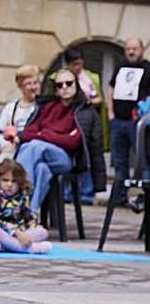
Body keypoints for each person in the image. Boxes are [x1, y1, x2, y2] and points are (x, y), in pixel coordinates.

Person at [16, 67, 96, 218]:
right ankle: (30, 214)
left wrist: (43, 134)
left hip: (66, 159)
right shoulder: (48, 107)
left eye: (68, 83)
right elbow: (27, 133)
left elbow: (73, 142)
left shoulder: (83, 111)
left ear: (76, 85)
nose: (64, 87)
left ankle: (16, 197)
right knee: (41, 168)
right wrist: (54, 136)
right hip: (43, 155)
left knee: (34, 145)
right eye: (60, 85)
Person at [106, 36, 150, 210]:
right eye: (128, 49)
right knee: (119, 161)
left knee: (143, 159)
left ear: (142, 50)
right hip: (118, 121)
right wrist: (110, 113)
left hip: (138, 123)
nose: (131, 52)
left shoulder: (148, 68)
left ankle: (146, 196)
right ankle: (120, 196)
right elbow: (111, 88)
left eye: (134, 49)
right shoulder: (120, 67)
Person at [62, 46, 106, 204]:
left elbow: (98, 98)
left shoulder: (88, 78)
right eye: (75, 64)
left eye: (80, 63)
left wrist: (89, 101)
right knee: (69, 157)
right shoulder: (61, 78)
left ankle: (86, 192)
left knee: (86, 156)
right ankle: (67, 192)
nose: (78, 67)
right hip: (68, 119)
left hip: (86, 119)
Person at [0, 159, 51, 254]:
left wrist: (32, 226)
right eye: (5, 180)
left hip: (21, 231)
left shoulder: (22, 196)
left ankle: (5, 246)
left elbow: (28, 216)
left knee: (42, 232)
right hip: (3, 230)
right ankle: (29, 248)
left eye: (14, 181)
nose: (9, 184)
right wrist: (15, 232)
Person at [0, 64, 41, 162]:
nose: (33, 87)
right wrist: (5, 144)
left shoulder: (43, 107)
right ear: (20, 86)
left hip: (32, 148)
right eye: (29, 84)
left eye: (36, 83)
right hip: (12, 149)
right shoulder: (10, 108)